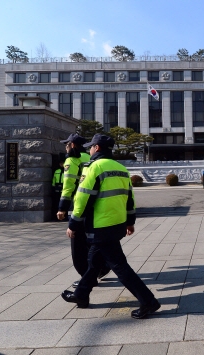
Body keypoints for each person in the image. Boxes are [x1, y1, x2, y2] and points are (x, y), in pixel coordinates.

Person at [61, 134, 161, 319]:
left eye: (91, 147)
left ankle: (148, 301)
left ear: (97, 148)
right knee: (94, 262)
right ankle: (81, 295)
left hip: (100, 226)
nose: (89, 150)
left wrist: (73, 224)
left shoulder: (94, 167)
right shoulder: (121, 168)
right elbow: (129, 198)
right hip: (117, 224)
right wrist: (130, 222)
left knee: (120, 267)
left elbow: (82, 198)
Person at [58, 134, 110, 286]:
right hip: (94, 204)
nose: (65, 146)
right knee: (91, 241)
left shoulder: (71, 160)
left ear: (72, 145)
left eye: (66, 143)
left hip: (79, 204)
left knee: (78, 244)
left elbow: (68, 186)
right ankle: (101, 267)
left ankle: (86, 276)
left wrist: (62, 208)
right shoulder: (89, 157)